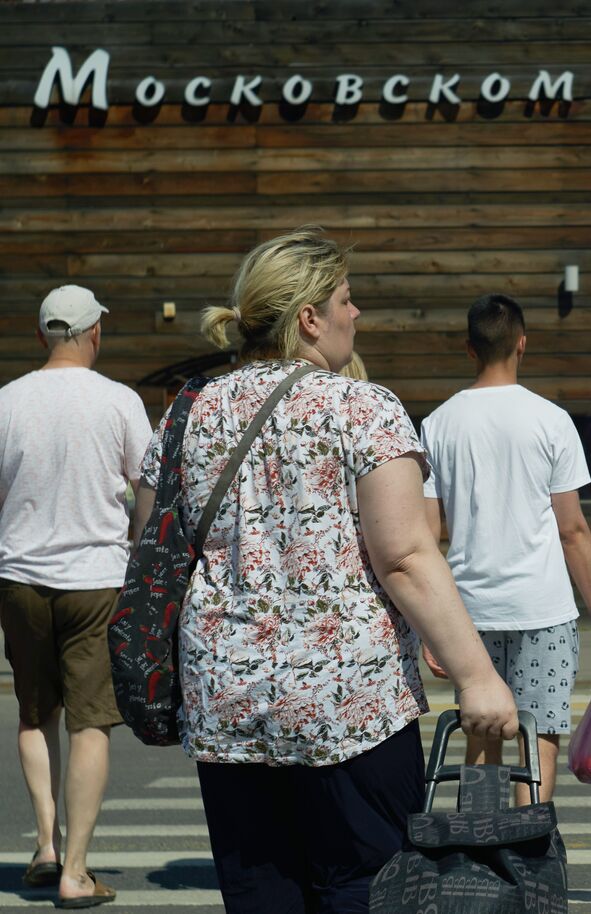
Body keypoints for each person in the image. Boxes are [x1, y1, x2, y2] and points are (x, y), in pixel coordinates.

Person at [132, 228, 518, 913]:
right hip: (348, 703)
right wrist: (477, 676)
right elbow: (404, 557)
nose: (356, 313)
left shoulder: (187, 413)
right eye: (347, 299)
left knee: (262, 893)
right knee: (364, 888)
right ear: (309, 318)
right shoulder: (361, 407)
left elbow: (152, 547)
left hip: (228, 702)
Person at [419, 293, 591, 805]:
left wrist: (427, 625)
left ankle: (479, 854)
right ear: (522, 343)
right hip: (543, 607)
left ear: (469, 349)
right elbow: (572, 530)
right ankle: (527, 857)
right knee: (538, 736)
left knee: (481, 731)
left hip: (467, 611)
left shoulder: (437, 425)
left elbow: (426, 536)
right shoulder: (552, 420)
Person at [0, 285, 151, 908]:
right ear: (95, 334)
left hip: (20, 578)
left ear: (42, 336)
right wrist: (141, 559)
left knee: (36, 715)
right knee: (92, 722)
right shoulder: (119, 401)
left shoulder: (6, 401)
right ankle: (78, 871)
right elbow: (146, 489)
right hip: (95, 578)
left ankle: (45, 844)